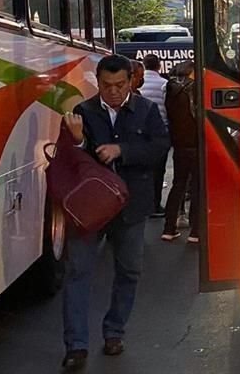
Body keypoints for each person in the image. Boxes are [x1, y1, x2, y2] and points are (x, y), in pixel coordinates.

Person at [60, 54, 169, 370]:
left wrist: (123, 150)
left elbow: (161, 147)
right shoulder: (83, 112)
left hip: (131, 207)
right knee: (78, 272)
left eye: (121, 85)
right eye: (107, 86)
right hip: (91, 209)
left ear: (132, 81)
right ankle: (76, 346)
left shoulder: (145, 111)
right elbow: (70, 160)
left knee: (129, 271)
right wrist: (80, 142)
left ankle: (114, 332)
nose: (114, 92)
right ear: (98, 82)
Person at [161, 60, 199, 243]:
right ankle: (196, 231)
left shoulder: (171, 90)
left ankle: (169, 227)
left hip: (179, 145)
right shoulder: (193, 90)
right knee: (198, 187)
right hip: (196, 144)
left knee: (178, 185)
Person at [140, 54, 169, 217]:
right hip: (160, 132)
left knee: (143, 170)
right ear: (159, 66)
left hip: (140, 132)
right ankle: (155, 205)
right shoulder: (164, 84)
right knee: (159, 171)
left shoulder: (139, 83)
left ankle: (142, 204)